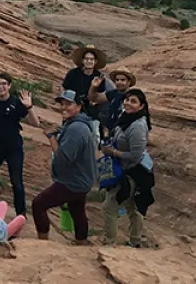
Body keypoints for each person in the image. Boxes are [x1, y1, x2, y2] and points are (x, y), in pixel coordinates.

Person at [31, 90, 96, 245]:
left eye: (69, 104)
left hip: (72, 181)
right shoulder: (78, 124)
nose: (64, 107)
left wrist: (51, 137)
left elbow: (63, 158)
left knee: (38, 204)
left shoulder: (76, 129)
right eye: (62, 104)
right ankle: (81, 242)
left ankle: (42, 243)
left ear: (79, 106)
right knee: (77, 209)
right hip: (82, 179)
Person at [0, 72, 40, 219]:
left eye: (4, 84)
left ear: (9, 86)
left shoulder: (17, 102)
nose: (1, 87)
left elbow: (36, 123)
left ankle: (20, 216)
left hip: (14, 149)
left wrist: (29, 106)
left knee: (16, 182)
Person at [100, 88, 152, 248]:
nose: (128, 103)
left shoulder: (137, 126)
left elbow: (135, 155)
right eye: (127, 100)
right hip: (127, 169)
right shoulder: (126, 118)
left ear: (141, 106)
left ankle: (110, 244)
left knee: (110, 206)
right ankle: (135, 241)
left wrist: (114, 152)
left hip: (134, 171)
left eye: (133, 101)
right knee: (132, 205)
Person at [62, 46, 111, 143]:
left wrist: (94, 101)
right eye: (87, 59)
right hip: (73, 109)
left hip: (91, 111)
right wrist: (65, 104)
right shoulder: (73, 74)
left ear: (95, 61)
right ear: (83, 60)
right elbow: (64, 88)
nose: (89, 61)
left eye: (91, 59)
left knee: (94, 135)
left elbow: (100, 94)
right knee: (68, 133)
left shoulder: (99, 77)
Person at [89, 68, 135, 139]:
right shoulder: (113, 93)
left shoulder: (134, 97)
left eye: (123, 80)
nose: (119, 82)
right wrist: (94, 87)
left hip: (125, 135)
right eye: (117, 80)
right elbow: (94, 98)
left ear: (129, 82)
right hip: (111, 133)